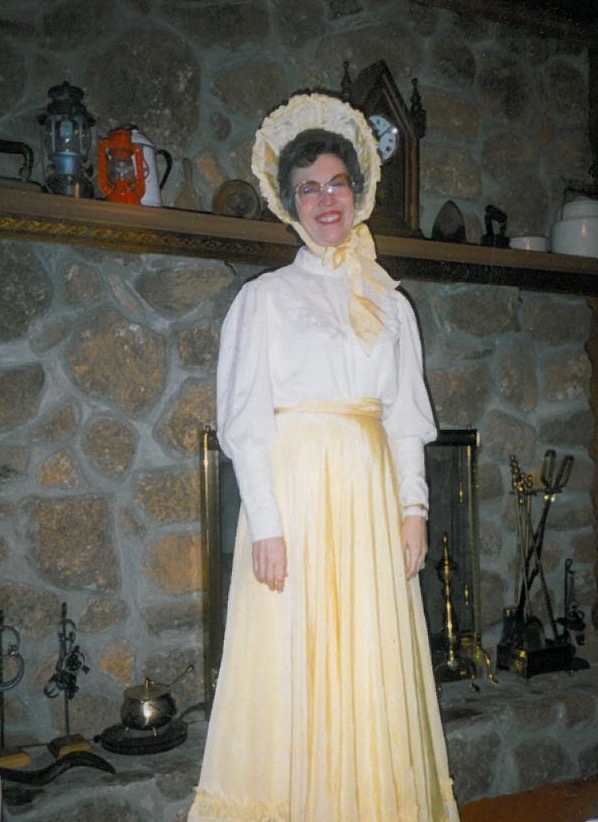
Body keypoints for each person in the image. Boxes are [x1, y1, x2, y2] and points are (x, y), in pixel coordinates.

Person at [188, 92, 460, 822]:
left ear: (359, 190)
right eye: (308, 188)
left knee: (369, 669)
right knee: (295, 668)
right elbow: (244, 423)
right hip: (297, 504)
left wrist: (413, 508)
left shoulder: (390, 304)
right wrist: (267, 524)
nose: (325, 199)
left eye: (336, 182)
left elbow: (406, 416)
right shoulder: (265, 301)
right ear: (291, 204)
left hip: (370, 504)